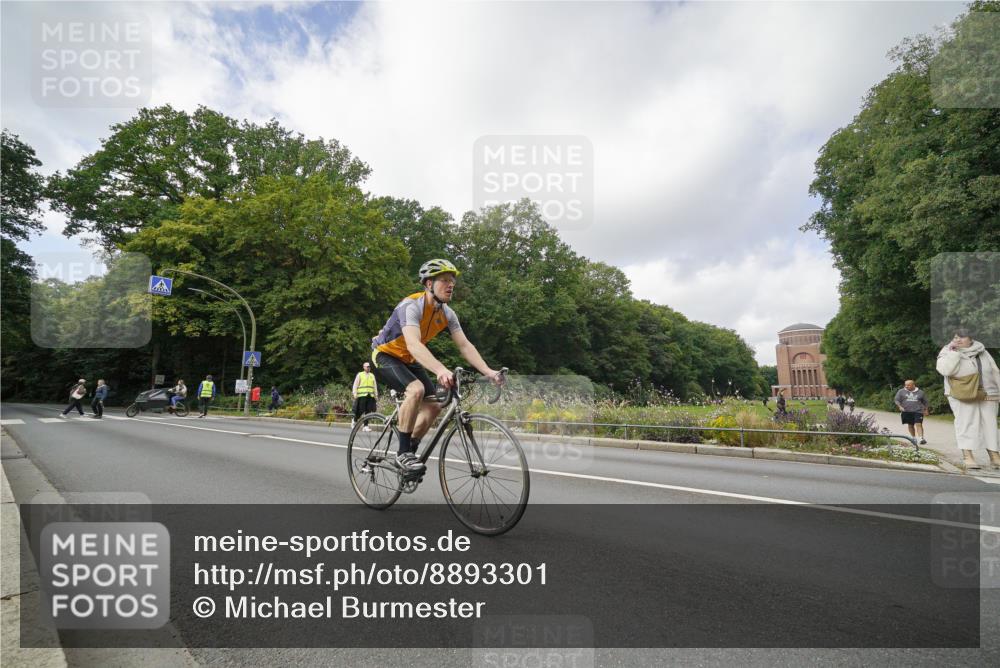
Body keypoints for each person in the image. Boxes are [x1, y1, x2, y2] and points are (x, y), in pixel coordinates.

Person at [370, 258, 503, 473]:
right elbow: (413, 344)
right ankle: (402, 454)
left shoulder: (448, 314)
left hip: (410, 359)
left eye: (453, 281)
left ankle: (410, 450)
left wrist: (488, 372)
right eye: (445, 280)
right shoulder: (411, 306)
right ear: (429, 284)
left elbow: (465, 345)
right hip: (386, 355)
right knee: (416, 390)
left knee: (434, 405)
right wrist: (440, 369)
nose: (451, 285)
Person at [936, 328, 1000, 470]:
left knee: (990, 424)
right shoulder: (947, 351)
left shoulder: (982, 351)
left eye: (962, 337)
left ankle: (994, 456)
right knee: (966, 423)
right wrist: (953, 353)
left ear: (971, 339)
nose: (958, 340)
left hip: (988, 393)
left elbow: (995, 371)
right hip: (961, 393)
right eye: (955, 337)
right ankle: (968, 456)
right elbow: (945, 370)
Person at [894, 380, 929, 445]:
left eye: (908, 385)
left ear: (913, 385)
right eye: (905, 385)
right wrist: (899, 406)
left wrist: (926, 410)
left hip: (918, 411)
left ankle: (921, 438)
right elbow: (896, 400)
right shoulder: (901, 391)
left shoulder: (920, 392)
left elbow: (925, 402)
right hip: (906, 411)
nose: (906, 386)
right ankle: (913, 438)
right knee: (910, 425)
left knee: (918, 424)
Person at [352, 361, 379, 431]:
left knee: (368, 411)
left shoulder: (372, 375)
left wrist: (376, 395)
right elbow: (355, 385)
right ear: (364, 367)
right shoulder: (360, 375)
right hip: (362, 395)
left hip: (370, 396)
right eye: (367, 367)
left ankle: (365, 426)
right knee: (360, 410)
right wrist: (355, 393)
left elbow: (375, 386)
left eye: (369, 367)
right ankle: (354, 420)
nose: (368, 368)